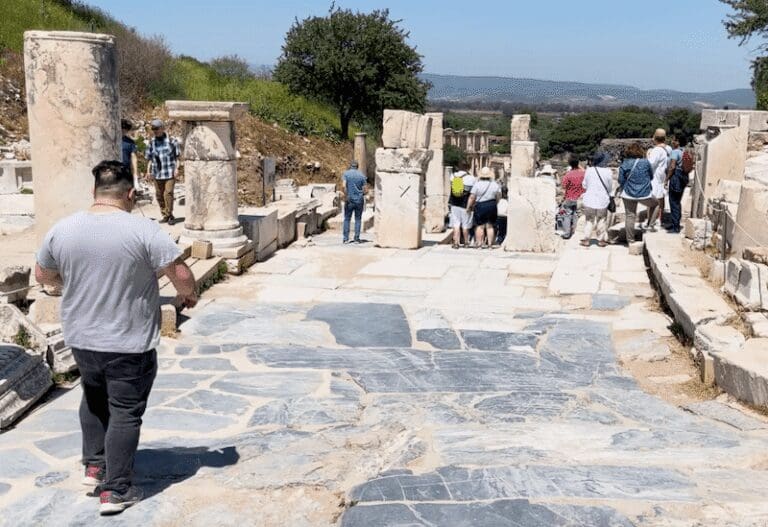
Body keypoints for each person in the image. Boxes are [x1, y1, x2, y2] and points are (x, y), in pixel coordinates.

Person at [35, 160, 197, 516]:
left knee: (94, 398)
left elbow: (43, 274)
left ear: (94, 192)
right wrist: (189, 293)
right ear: (129, 193)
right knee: (125, 410)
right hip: (128, 339)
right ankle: (117, 490)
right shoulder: (143, 229)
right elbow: (180, 271)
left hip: (81, 337)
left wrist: (73, 284)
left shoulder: (63, 228)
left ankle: (94, 467)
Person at [618, 142, 657, 245]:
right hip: (644, 193)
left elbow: (620, 180)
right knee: (656, 204)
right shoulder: (645, 162)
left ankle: (630, 241)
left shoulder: (625, 163)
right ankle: (650, 226)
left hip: (628, 193)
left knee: (630, 216)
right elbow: (651, 177)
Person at [144, 119, 181, 225]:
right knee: (159, 195)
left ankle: (168, 215)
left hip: (169, 172)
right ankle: (165, 214)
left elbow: (177, 157)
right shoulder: (152, 143)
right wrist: (148, 172)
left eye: (156, 128)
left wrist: (177, 169)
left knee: (168, 193)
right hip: (157, 173)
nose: (154, 131)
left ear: (162, 128)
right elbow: (150, 159)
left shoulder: (172, 141)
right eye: (153, 129)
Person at [580, 151, 613, 247]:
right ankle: (601, 240)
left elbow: (584, 185)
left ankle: (586, 239)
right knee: (601, 219)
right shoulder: (608, 171)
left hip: (589, 199)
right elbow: (610, 187)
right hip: (603, 199)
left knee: (589, 220)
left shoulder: (589, 170)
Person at [467, 166, 501, 248]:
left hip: (480, 205)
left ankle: (479, 244)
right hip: (492, 204)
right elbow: (499, 196)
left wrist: (468, 207)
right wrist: (495, 202)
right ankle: (489, 245)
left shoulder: (477, 184)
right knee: (490, 226)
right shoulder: (495, 184)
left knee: (480, 226)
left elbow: (472, 197)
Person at [646, 128, 671, 231]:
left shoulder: (656, 150)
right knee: (660, 200)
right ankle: (658, 221)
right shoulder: (668, 148)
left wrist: (647, 155)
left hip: (655, 178)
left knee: (653, 203)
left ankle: (651, 223)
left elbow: (650, 164)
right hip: (662, 177)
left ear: (654, 138)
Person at [342, 160, 367, 244]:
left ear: (350, 166)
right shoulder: (362, 176)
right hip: (359, 200)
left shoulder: (346, 174)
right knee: (358, 219)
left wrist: (347, 195)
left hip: (349, 199)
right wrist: (361, 194)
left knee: (347, 219)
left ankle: (346, 239)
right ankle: (356, 238)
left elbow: (344, 186)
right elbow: (365, 189)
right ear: (357, 166)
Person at [560, 155, 585, 238]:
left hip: (570, 197)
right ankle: (575, 232)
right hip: (580, 198)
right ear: (578, 163)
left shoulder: (568, 174)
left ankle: (566, 233)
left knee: (567, 215)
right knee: (576, 215)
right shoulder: (583, 174)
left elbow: (563, 186)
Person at [665, 138, 687, 233]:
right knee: (677, 201)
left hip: (675, 178)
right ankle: (675, 223)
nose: (672, 142)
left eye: (674, 140)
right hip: (682, 177)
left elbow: (672, 166)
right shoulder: (683, 151)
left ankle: (675, 227)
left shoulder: (675, 152)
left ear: (678, 142)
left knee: (673, 202)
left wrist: (666, 179)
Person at [448, 170, 473, 249]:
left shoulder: (453, 178)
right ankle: (466, 242)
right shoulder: (470, 179)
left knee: (456, 225)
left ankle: (456, 243)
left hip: (454, 205)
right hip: (465, 206)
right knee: (465, 226)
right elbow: (472, 195)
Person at [120, 119, 139, 190]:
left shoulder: (130, 142)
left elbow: (134, 158)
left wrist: (135, 176)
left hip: (126, 171)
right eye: (122, 129)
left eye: (126, 129)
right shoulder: (111, 140)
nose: (123, 131)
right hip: (113, 171)